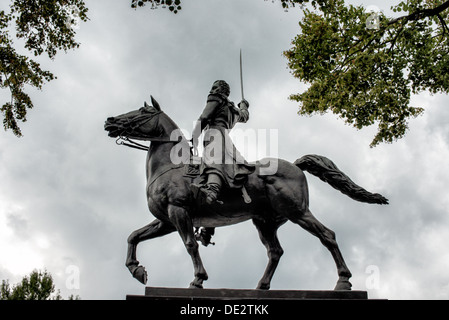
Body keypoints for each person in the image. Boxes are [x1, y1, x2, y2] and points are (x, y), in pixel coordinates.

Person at [191, 80, 255, 205]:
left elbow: (204, 117)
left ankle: (212, 191)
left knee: (213, 161)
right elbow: (244, 116)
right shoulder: (234, 111)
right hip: (224, 136)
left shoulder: (216, 98)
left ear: (221, 90)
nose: (212, 90)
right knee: (212, 161)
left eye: (215, 87)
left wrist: (195, 134)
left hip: (214, 134)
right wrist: (244, 106)